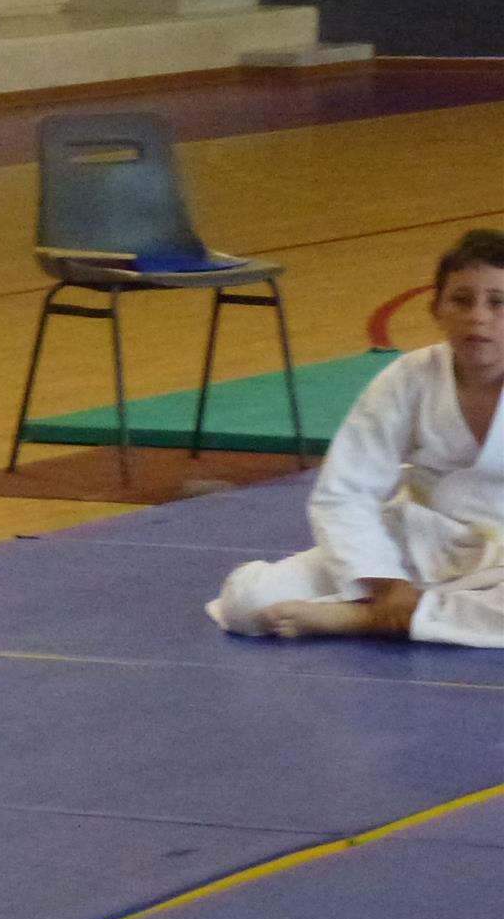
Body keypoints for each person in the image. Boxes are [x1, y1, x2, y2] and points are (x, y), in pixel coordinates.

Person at [210, 230, 504, 645]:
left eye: (498, 302)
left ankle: (361, 619)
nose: (478, 317)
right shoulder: (409, 379)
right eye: (462, 300)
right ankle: (414, 612)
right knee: (248, 604)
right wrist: (384, 580)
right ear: (436, 309)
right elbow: (345, 491)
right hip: (420, 541)